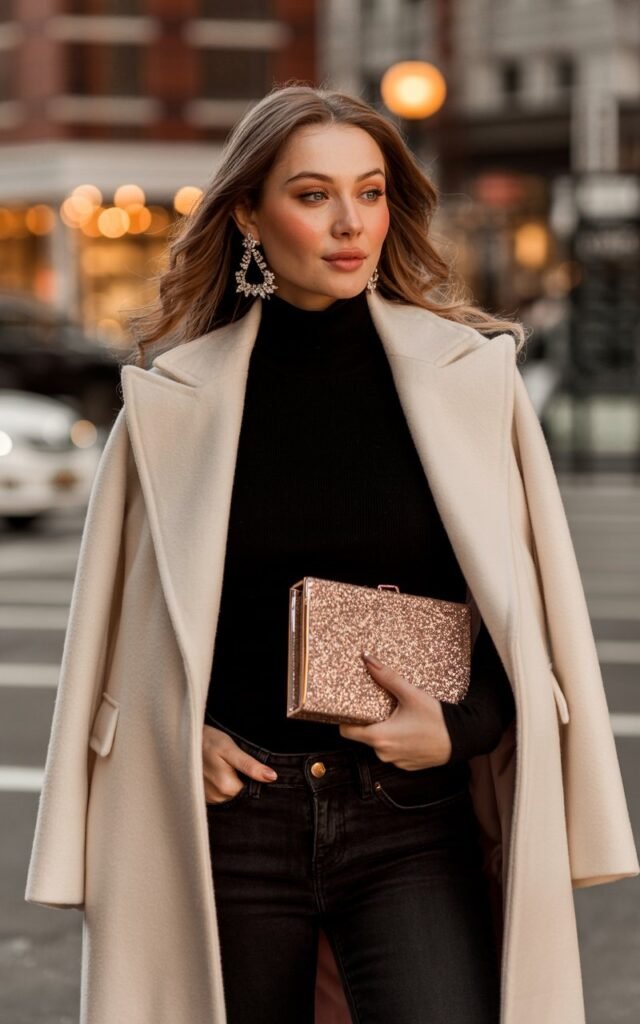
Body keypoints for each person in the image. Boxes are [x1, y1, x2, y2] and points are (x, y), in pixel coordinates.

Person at [25, 85, 638, 1024]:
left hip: (411, 818)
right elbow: (126, 649)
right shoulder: (170, 403)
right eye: (313, 195)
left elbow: (532, 632)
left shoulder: (473, 383)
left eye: (372, 191)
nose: (351, 223)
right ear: (247, 217)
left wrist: (459, 728)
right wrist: (179, 736)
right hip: (230, 824)